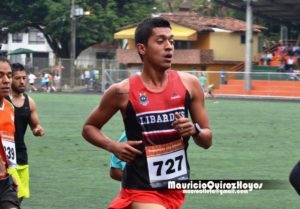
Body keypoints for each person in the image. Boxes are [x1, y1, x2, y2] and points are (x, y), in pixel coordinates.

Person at [82, 17, 212, 209]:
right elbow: (89, 127)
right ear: (142, 48)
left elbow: (207, 140)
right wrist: (113, 146)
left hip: (174, 187)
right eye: (160, 41)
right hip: (139, 187)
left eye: (171, 41)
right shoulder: (122, 91)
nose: (169, 47)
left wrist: (194, 130)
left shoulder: (189, 85)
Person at [6, 63, 45, 204]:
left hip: (21, 155)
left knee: (20, 196)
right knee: (10, 195)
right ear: (10, 79)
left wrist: (38, 130)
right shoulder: (3, 101)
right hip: (5, 157)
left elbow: (35, 125)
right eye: (18, 78)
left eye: (24, 78)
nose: (22, 81)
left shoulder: (30, 102)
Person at [0, 57, 20, 209]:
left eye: (9, 75)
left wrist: (10, 172)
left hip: (4, 181)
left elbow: (7, 143)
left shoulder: (9, 107)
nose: (6, 80)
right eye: (0, 75)